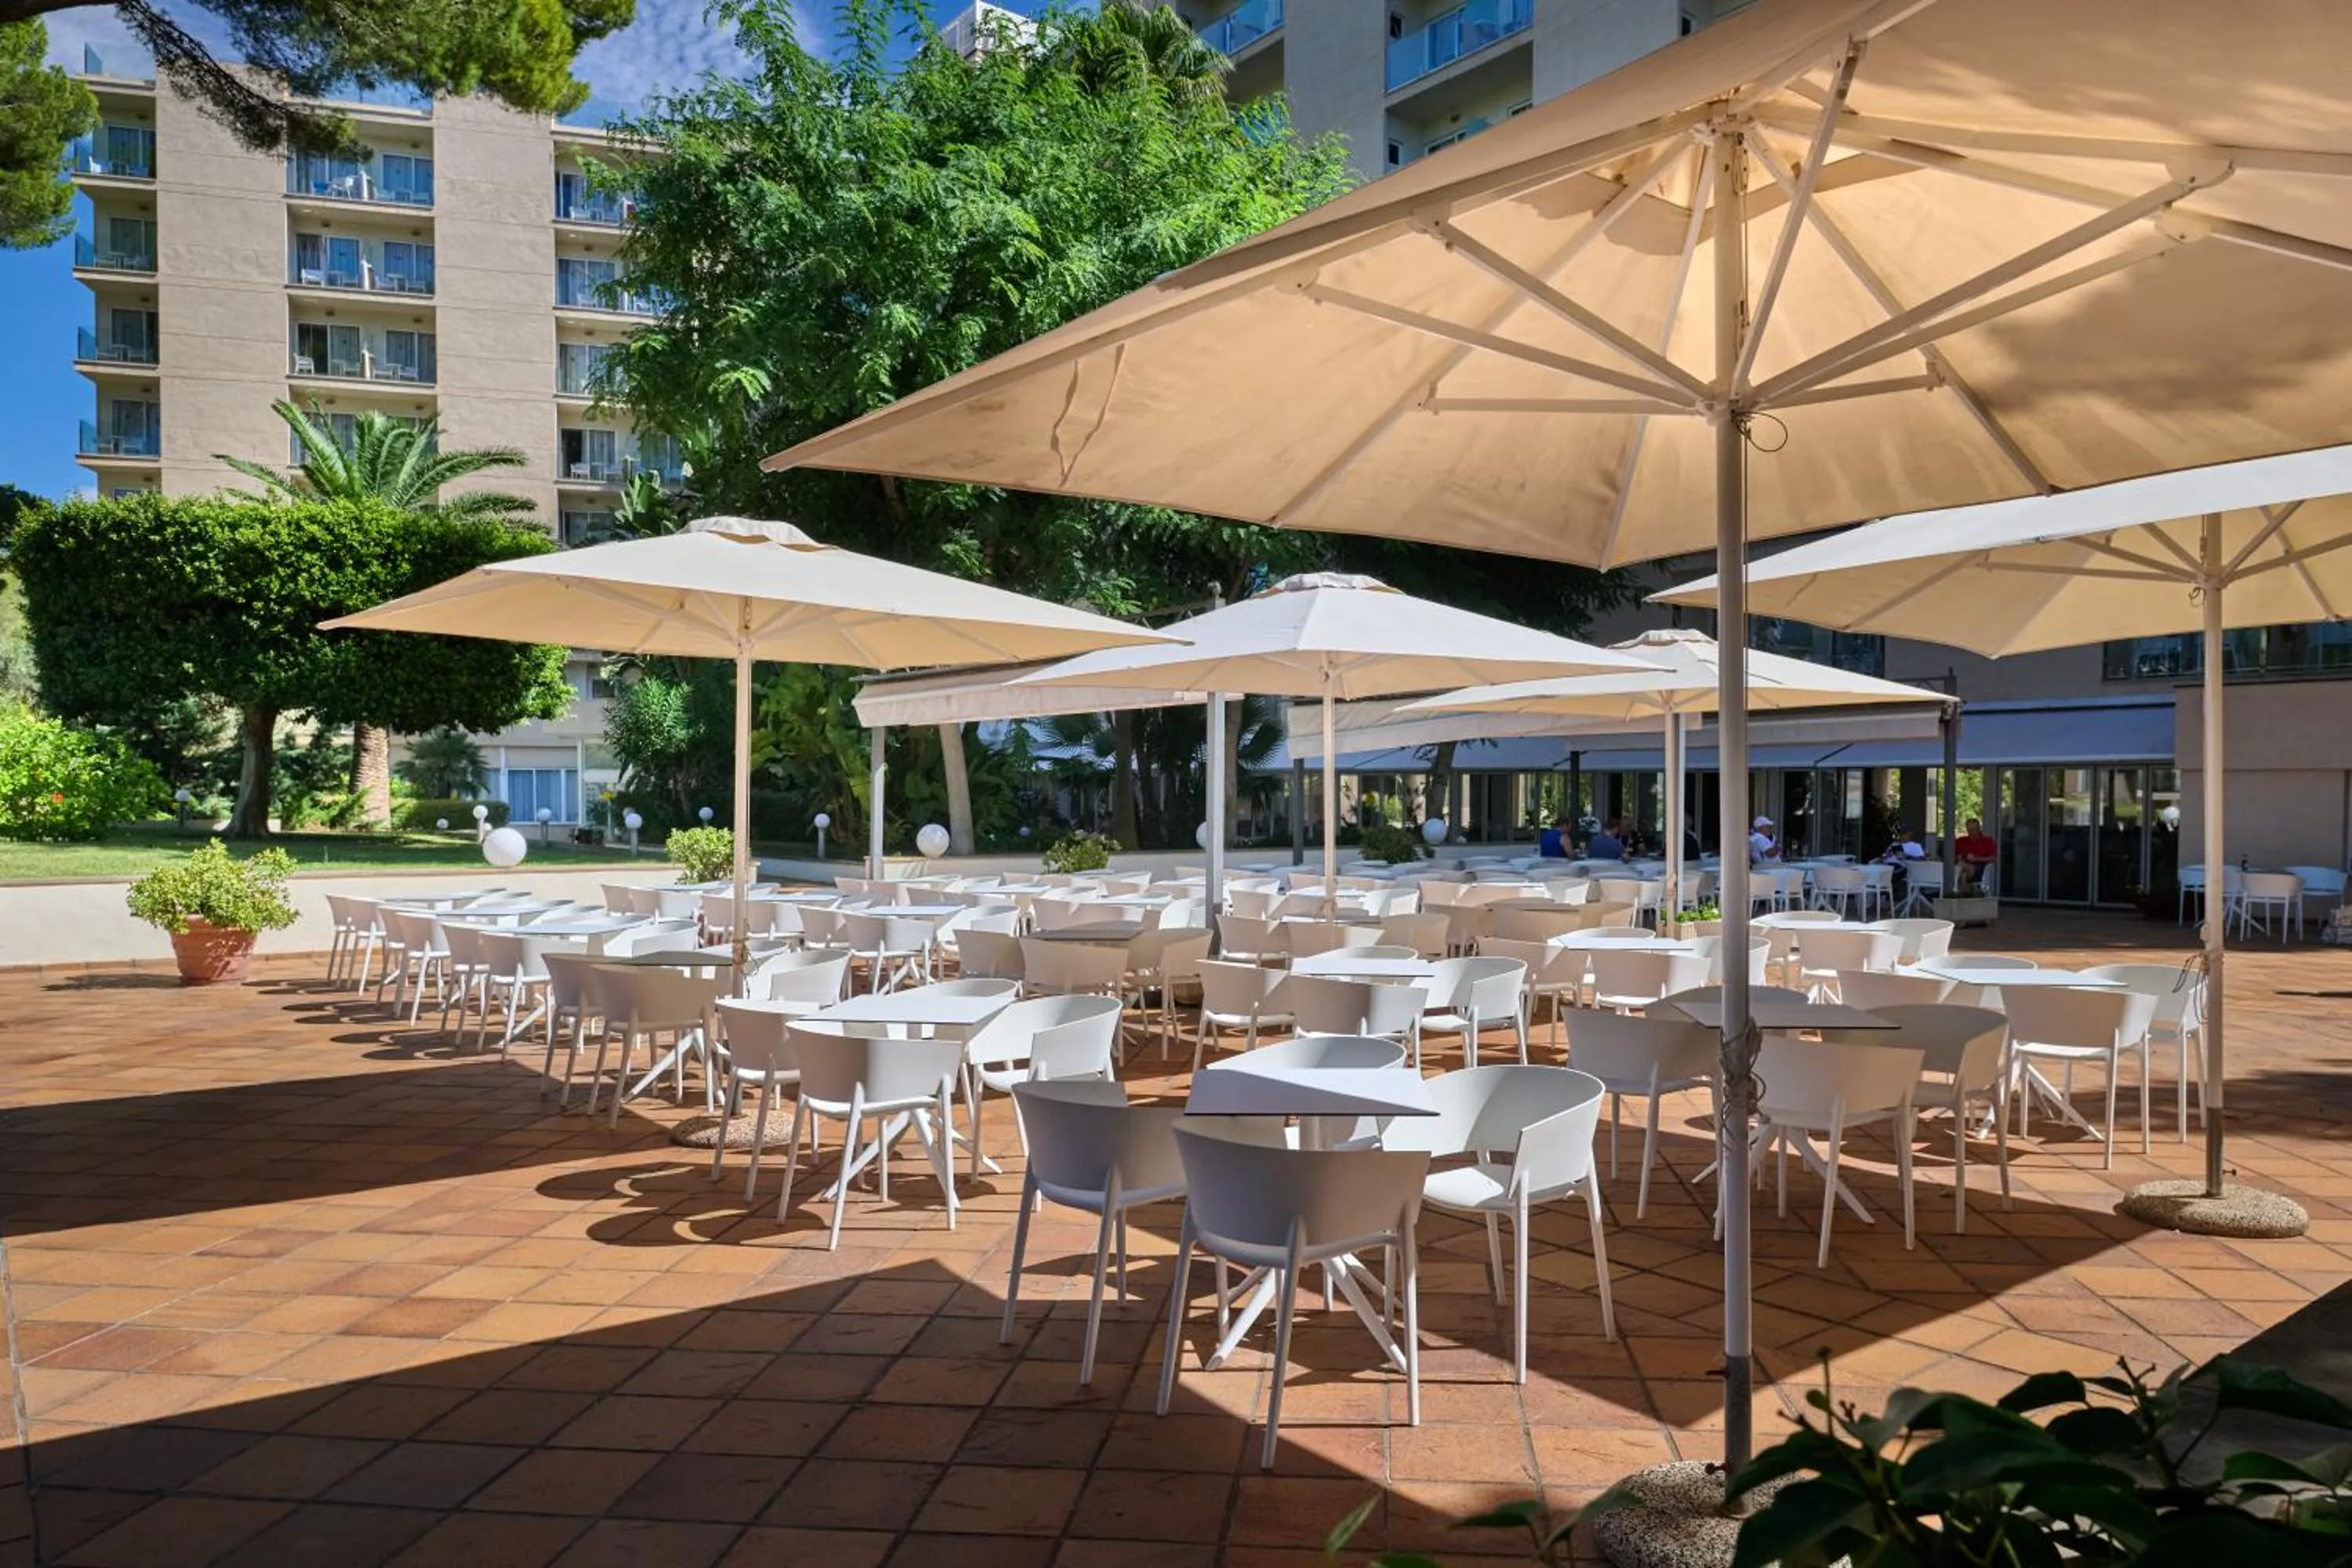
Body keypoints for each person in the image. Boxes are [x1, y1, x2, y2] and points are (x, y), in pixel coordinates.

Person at [1956, 817, 1998, 891]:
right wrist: (1958, 857)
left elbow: (1993, 858)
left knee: (1961, 868)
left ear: (1979, 828)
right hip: (1963, 867)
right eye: (1969, 829)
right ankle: (1964, 894)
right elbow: (1949, 855)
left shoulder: (1987, 841)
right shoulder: (1961, 841)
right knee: (1963, 874)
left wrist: (1977, 858)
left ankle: (1957, 893)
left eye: (1974, 829)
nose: (1972, 831)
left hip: (1980, 868)